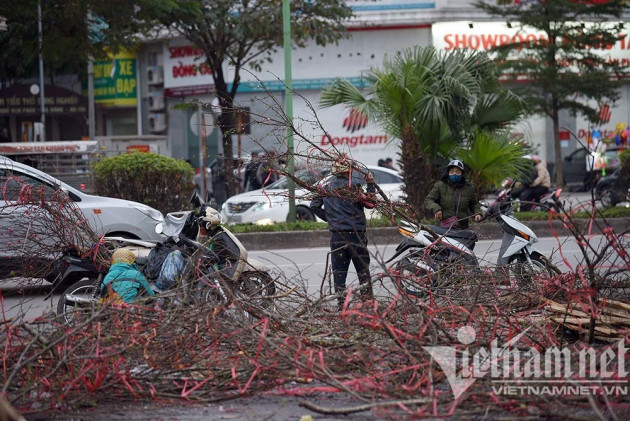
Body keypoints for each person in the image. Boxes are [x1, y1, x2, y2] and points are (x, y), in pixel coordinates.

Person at [310, 156, 377, 310]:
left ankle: (342, 305)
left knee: (339, 272)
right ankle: (367, 303)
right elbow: (371, 204)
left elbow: (313, 206)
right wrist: (371, 185)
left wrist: (331, 218)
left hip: (337, 237)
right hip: (356, 236)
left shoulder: (326, 188)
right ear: (350, 172)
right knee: (363, 272)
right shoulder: (355, 189)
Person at [425, 159, 482, 230]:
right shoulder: (440, 185)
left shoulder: (468, 187)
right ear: (448, 173)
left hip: (463, 227)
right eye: (451, 172)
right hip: (444, 226)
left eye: (458, 172)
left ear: (462, 173)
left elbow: (474, 204)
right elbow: (429, 200)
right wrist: (437, 209)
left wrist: (477, 213)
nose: (454, 174)